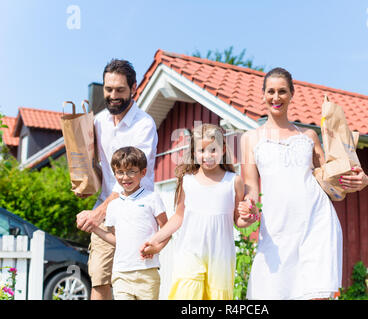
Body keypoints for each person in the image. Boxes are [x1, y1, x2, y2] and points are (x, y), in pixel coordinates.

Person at [239, 67, 368, 300]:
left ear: (291, 94)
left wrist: (361, 180)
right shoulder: (250, 139)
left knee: (314, 293)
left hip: (316, 222)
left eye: (282, 91)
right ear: (262, 95)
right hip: (276, 228)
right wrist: (248, 207)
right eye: (270, 91)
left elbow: (335, 174)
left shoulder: (309, 136)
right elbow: (251, 187)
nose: (276, 97)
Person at [140, 123, 257, 300]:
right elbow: (178, 217)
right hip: (190, 253)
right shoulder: (187, 181)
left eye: (213, 150)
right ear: (194, 152)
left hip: (221, 257)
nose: (207, 156)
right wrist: (153, 239)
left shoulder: (234, 181)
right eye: (202, 151)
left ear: (223, 149)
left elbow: (238, 221)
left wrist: (249, 217)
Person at [75, 59, 158, 300]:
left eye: (120, 90)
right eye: (108, 89)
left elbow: (129, 179)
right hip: (106, 213)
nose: (113, 95)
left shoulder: (144, 125)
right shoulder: (99, 121)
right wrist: (85, 184)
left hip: (137, 214)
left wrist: (96, 213)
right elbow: (100, 169)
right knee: (99, 281)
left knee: (132, 285)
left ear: (134, 89)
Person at [90, 146, 169, 300]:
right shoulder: (113, 206)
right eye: (120, 172)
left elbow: (166, 230)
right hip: (121, 273)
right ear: (115, 173)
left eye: (131, 171)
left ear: (143, 172)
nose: (125, 177)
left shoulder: (152, 199)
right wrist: (95, 228)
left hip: (147, 273)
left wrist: (156, 248)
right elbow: (116, 240)